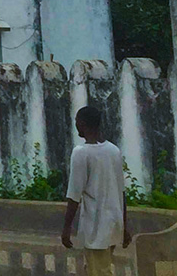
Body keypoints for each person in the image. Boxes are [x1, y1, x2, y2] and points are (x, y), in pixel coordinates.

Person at [61, 105, 130, 276]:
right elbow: (121, 193)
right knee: (97, 268)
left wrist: (67, 228)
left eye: (76, 121)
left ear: (82, 124)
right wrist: (124, 225)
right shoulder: (113, 150)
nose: (76, 125)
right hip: (113, 224)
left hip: (96, 227)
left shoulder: (81, 153)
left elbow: (74, 195)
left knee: (99, 271)